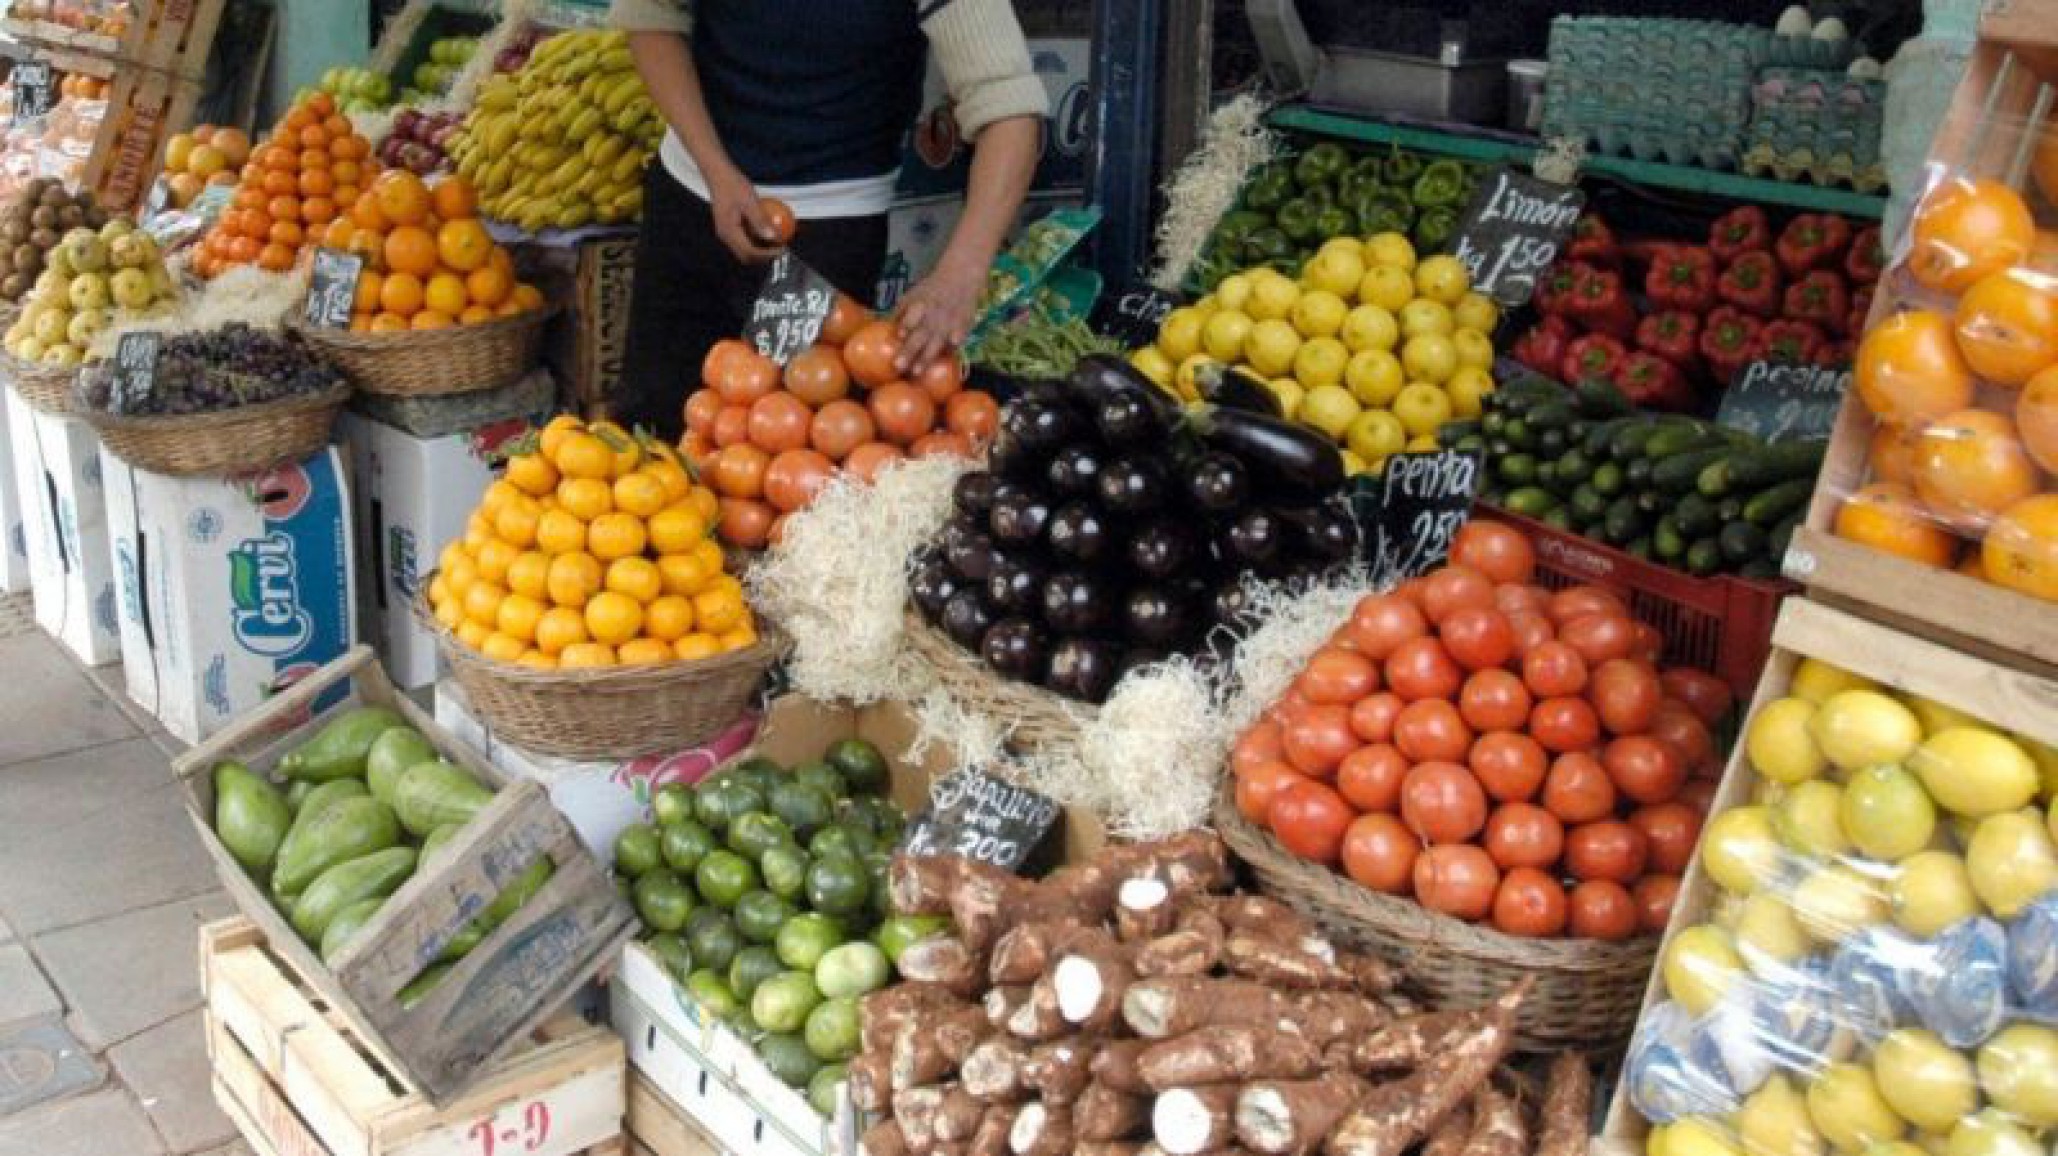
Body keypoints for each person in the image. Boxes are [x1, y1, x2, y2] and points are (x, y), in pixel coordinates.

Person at [609, 0, 1049, 437]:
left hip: (826, 234)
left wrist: (961, 274)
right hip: (690, 202)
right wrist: (715, 169)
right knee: (651, 436)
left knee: (784, 454)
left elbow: (1008, 107)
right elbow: (652, 19)